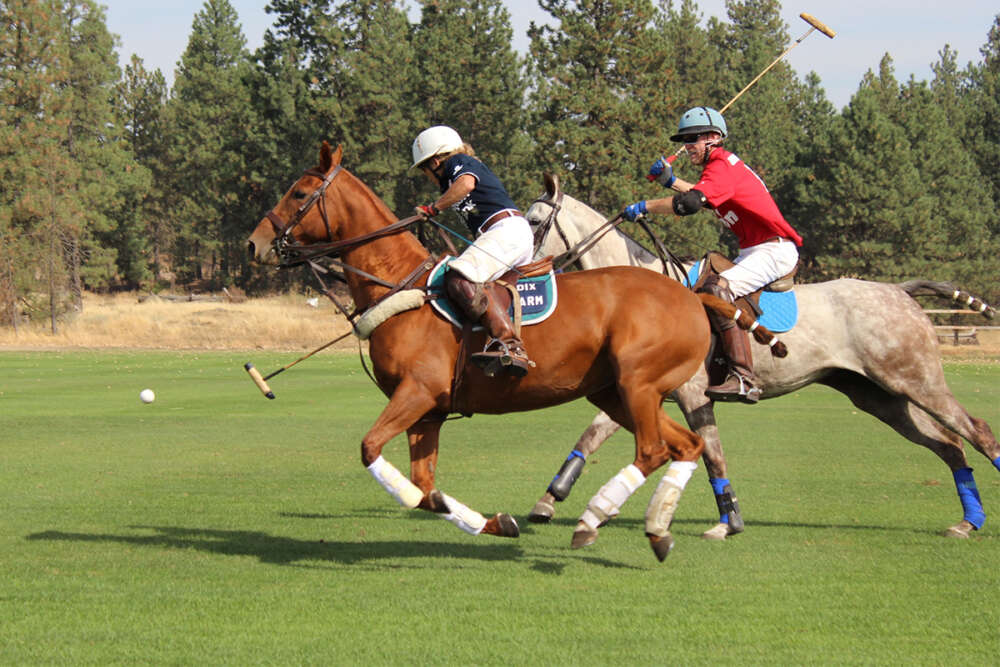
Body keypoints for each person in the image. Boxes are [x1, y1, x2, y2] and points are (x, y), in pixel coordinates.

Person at [622, 107, 802, 403]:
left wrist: (645, 206)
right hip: (755, 249)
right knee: (706, 286)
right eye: (684, 140)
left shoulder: (721, 165)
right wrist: (671, 181)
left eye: (692, 139)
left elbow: (691, 203)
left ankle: (744, 377)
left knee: (715, 290)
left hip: (774, 249)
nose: (686, 146)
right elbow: (704, 197)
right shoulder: (718, 169)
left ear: (713, 138)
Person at [411, 125, 535, 377]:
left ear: (435, 161)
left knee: (457, 277)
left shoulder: (458, 161)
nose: (428, 176)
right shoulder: (456, 169)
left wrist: (433, 208)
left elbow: (466, 184)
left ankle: (509, 344)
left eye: (425, 169)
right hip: (507, 232)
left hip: (505, 230)